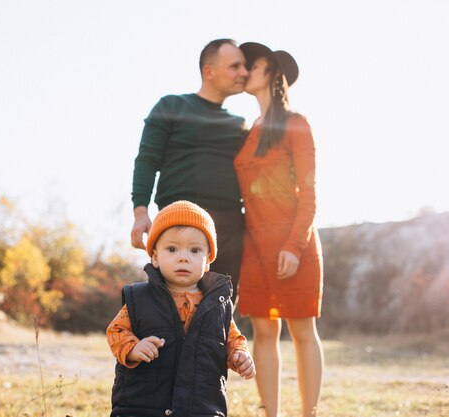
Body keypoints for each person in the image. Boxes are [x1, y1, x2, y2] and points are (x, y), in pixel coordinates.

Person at [233, 42, 324, 417]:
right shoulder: (249, 130)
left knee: (302, 331)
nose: (243, 72)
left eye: (250, 65)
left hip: (294, 243)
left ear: (271, 71)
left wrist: (294, 244)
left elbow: (309, 192)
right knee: (264, 333)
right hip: (256, 246)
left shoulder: (296, 123)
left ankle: (309, 414)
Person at [108, 200, 255, 417]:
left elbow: (232, 339)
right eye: (172, 249)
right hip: (142, 405)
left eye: (195, 250)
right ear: (155, 257)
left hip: (201, 406)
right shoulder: (139, 298)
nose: (183, 256)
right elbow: (116, 330)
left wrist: (239, 356)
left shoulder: (218, 304)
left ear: (207, 262)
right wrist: (133, 348)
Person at [130, 38, 249, 303]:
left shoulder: (240, 124)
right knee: (170, 305)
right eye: (235, 66)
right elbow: (147, 159)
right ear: (209, 71)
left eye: (245, 67)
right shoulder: (171, 106)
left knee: (221, 309)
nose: (244, 73)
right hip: (177, 217)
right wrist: (141, 212)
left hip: (228, 225)